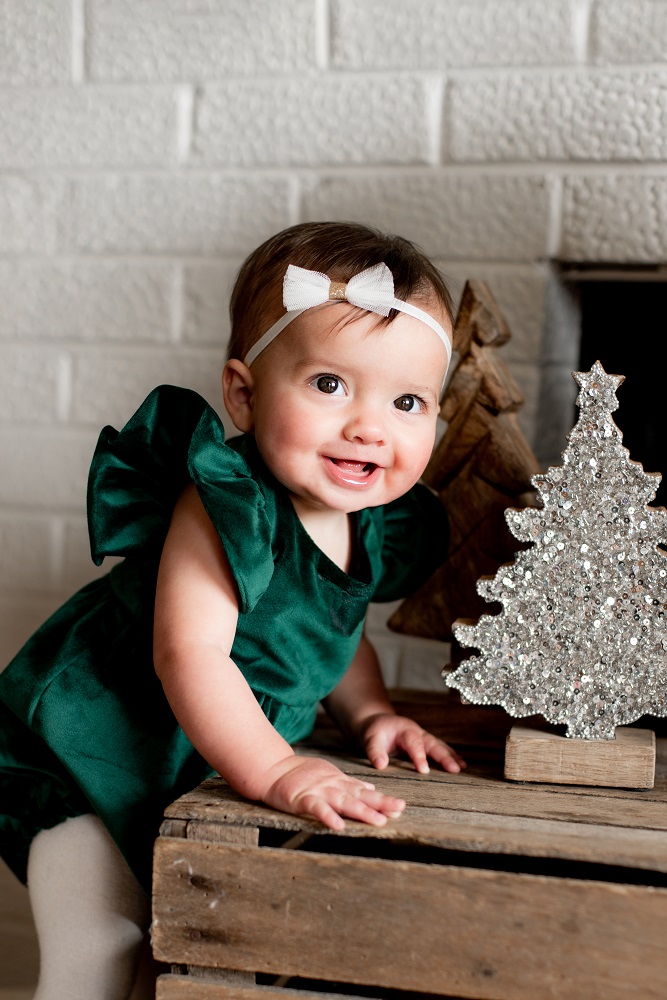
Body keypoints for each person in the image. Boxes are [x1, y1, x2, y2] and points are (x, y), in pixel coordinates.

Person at [0, 221, 465, 999]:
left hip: (204, 756)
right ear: (244, 394)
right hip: (96, 744)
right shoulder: (226, 504)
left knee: (176, 949)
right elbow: (189, 653)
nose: (369, 426)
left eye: (407, 401)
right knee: (103, 943)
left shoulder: (370, 519)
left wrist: (370, 711)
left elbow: (329, 632)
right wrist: (279, 767)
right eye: (329, 385)